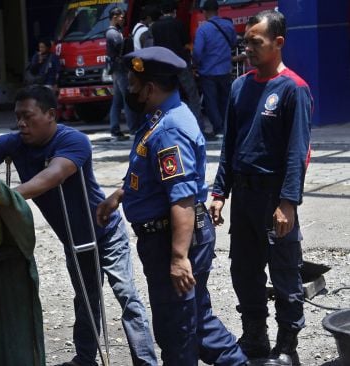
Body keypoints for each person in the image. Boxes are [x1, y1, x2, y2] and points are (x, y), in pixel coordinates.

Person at [0, 85, 157, 366]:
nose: (21, 124)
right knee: (85, 300)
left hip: (105, 232)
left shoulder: (74, 141)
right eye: (18, 117)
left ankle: (146, 362)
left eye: (28, 116)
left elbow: (53, 176)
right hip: (72, 238)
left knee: (127, 297)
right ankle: (85, 360)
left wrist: (2, 196)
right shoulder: (13, 143)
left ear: (51, 114)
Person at [96, 46, 248, 365]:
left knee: (179, 329)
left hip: (175, 238)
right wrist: (121, 194)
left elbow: (181, 197)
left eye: (135, 85)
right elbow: (152, 176)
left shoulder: (169, 129)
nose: (131, 92)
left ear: (150, 88)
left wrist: (179, 258)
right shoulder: (158, 118)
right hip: (167, 235)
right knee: (191, 322)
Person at [209, 10, 312, 366]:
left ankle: (287, 346)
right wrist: (219, 192)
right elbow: (229, 145)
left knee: (284, 272)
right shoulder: (240, 87)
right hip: (245, 195)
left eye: (256, 42)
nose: (248, 49)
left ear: (277, 43)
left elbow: (298, 152)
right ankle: (254, 336)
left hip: (274, 196)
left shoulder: (293, 89)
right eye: (246, 42)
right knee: (244, 268)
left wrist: (288, 203)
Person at [151, 1, 205, 134]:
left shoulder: (155, 27)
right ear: (174, 11)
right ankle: (198, 127)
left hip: (164, 67)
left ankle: (168, 127)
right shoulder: (178, 24)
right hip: (180, 64)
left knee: (168, 96)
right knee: (192, 95)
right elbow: (186, 43)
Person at [192, 0, 237, 140]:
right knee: (226, 100)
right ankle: (228, 127)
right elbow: (234, 43)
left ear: (205, 12)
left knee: (211, 101)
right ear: (218, 10)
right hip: (225, 69)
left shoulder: (203, 29)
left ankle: (218, 128)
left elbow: (197, 52)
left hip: (208, 71)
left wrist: (196, 65)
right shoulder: (228, 25)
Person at [106, 6, 136, 141]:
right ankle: (133, 129)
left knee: (117, 100)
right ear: (114, 17)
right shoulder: (113, 33)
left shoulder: (115, 32)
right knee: (127, 99)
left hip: (117, 70)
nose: (123, 20)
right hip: (120, 70)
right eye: (121, 17)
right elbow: (121, 48)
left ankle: (115, 129)